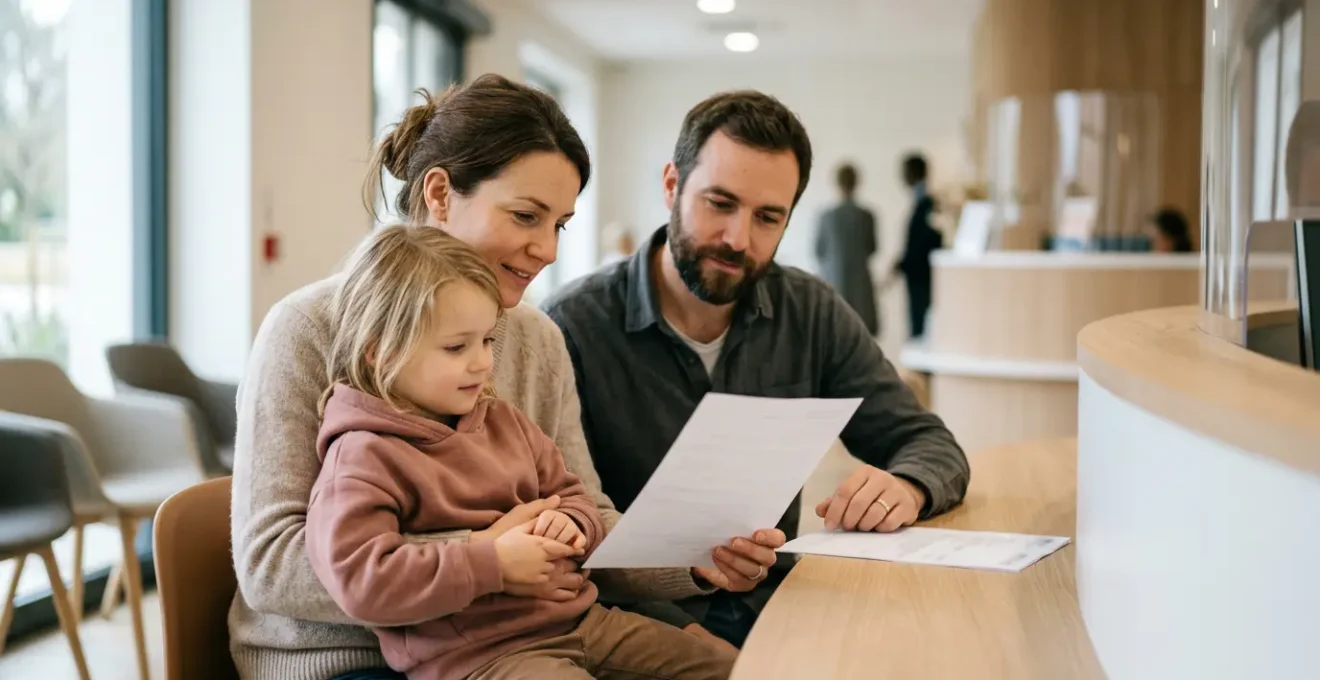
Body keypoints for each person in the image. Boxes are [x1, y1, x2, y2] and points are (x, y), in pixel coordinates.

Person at [230, 75, 778, 680]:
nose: (546, 248)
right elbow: (270, 567)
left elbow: (583, 510)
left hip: (535, 629)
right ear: (439, 192)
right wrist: (485, 554)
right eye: (525, 215)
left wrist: (694, 559)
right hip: (345, 657)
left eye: (560, 225)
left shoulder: (536, 338)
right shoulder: (308, 328)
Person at [543, 91, 970, 647]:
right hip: (636, 630)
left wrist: (907, 486)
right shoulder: (569, 328)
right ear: (672, 185)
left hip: (774, 609)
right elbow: (561, 532)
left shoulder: (809, 311)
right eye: (719, 203)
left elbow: (929, 443)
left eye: (768, 217)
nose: (738, 239)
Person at [304, 225, 734, 680]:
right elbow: (363, 582)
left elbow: (576, 499)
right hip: (480, 659)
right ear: (378, 352)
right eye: (456, 347)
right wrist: (496, 564)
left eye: (487, 340)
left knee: (736, 668)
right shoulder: (361, 456)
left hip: (582, 623)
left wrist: (571, 524)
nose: (482, 362)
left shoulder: (503, 421)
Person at [814, 163, 880, 336]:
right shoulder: (867, 216)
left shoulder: (827, 217)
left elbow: (818, 251)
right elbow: (872, 248)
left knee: (834, 336)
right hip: (861, 285)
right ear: (856, 183)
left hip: (835, 283)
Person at [894, 153, 942, 340]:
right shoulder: (921, 202)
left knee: (920, 324)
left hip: (921, 277)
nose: (902, 177)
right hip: (917, 275)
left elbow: (924, 243)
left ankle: (921, 369)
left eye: (905, 172)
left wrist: (905, 261)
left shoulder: (927, 204)